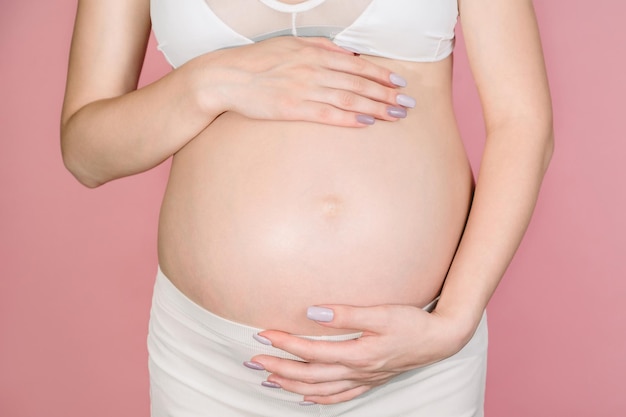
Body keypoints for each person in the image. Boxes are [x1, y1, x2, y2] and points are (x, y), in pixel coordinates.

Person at [61, 0, 553, 415]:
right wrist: (206, 83)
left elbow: (522, 123)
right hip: (209, 365)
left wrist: (453, 324)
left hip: (416, 361)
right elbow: (85, 154)